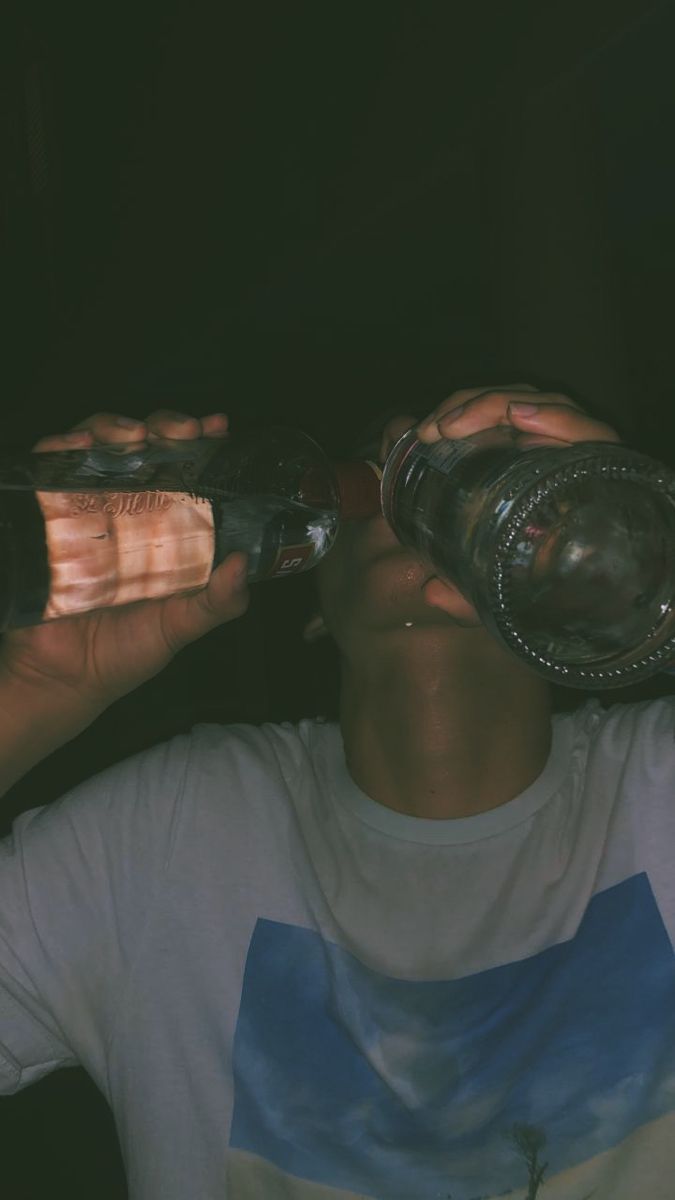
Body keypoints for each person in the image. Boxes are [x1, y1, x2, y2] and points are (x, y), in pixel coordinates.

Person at [0, 387, 672, 1200]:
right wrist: (31, 690)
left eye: (489, 466)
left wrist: (652, 554)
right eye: (379, 460)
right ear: (313, 600)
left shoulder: (654, 789)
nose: (409, 470)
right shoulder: (167, 830)